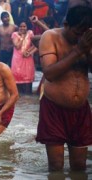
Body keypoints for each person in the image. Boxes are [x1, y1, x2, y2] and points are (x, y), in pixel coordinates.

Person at [36, 6, 92, 171]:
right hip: (54, 109)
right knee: (56, 166)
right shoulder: (50, 37)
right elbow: (50, 73)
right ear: (66, 24)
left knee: (80, 166)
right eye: (77, 33)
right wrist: (78, 50)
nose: (80, 37)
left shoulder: (87, 39)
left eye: (84, 33)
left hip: (81, 110)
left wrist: (87, 50)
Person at [11, 21, 37, 94]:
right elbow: (17, 46)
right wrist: (22, 37)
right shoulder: (14, 34)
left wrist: (29, 52)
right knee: (17, 82)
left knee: (28, 83)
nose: (22, 28)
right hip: (17, 60)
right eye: (21, 26)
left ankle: (27, 102)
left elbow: (36, 45)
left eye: (24, 26)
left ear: (27, 27)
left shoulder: (30, 33)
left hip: (27, 60)